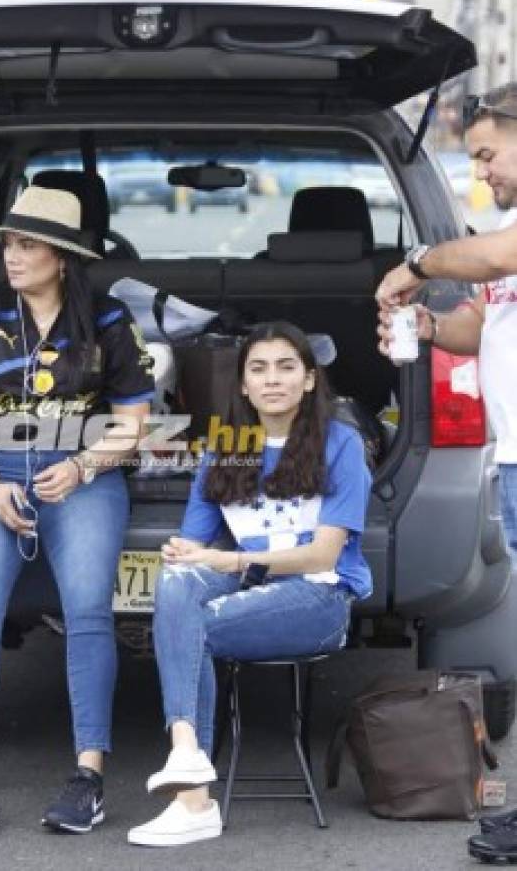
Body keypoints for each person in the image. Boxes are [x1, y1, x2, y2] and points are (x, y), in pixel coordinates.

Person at [0, 185, 154, 834]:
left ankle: (88, 776)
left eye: (26, 244)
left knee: (87, 612)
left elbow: (136, 423)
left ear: (61, 257)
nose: (12, 255)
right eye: (8, 243)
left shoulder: (106, 321)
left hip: (80, 479)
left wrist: (83, 465)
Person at [127, 321, 372, 847]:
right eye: (258, 369)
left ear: (309, 379)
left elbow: (324, 554)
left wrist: (230, 560)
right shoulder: (226, 447)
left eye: (286, 367)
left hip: (320, 596)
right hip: (250, 590)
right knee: (176, 585)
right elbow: (194, 549)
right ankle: (188, 759)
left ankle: (191, 795)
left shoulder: (341, 443)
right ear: (242, 385)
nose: (272, 380)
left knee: (193, 626)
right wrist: (185, 553)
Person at [376, 83, 517, 561]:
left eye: (486, 155)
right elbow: (483, 323)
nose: (478, 173)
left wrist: (417, 265)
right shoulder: (508, 223)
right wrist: (429, 326)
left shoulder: (505, 243)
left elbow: (499, 258)